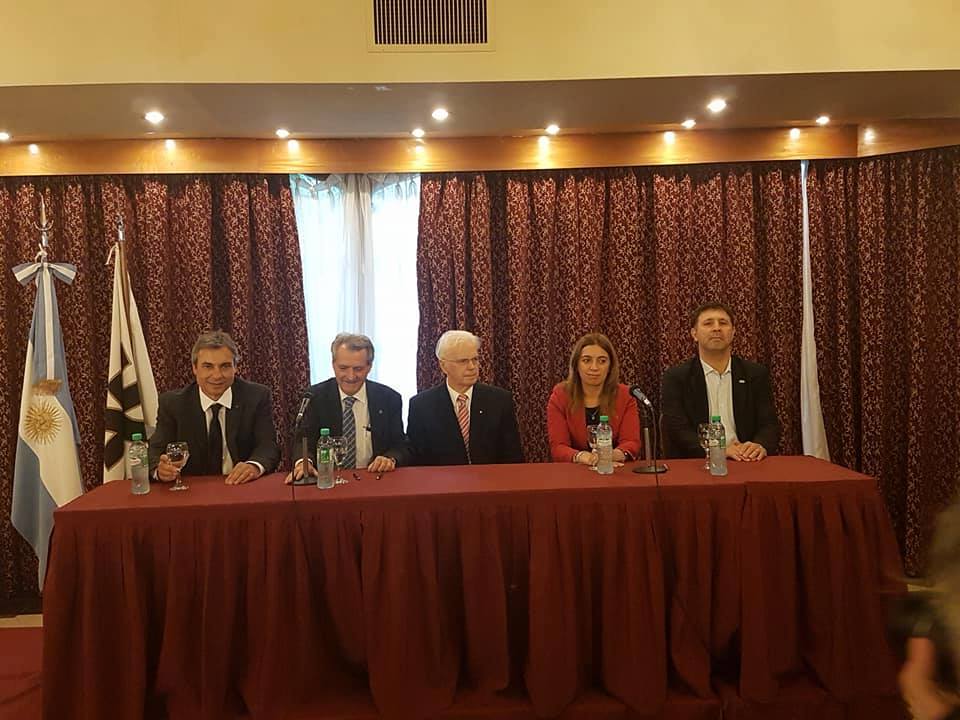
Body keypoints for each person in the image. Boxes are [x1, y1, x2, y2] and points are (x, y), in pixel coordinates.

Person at [149, 330, 280, 484]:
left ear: (235, 367)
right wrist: (160, 469)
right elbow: (154, 452)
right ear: (194, 368)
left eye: (225, 366)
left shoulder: (256, 397)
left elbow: (268, 446)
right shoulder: (173, 403)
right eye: (208, 366)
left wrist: (254, 466)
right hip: (191, 492)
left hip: (241, 488)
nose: (217, 375)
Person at [660, 302, 780, 461]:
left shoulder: (755, 374)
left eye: (723, 323)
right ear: (694, 334)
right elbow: (677, 430)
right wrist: (718, 450)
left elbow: (769, 424)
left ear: (733, 332)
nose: (716, 328)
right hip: (698, 462)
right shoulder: (676, 377)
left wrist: (759, 445)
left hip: (746, 460)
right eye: (708, 323)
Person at [290, 333, 408, 481]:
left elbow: (401, 445)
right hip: (327, 481)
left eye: (358, 369)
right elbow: (303, 440)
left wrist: (390, 458)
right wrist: (304, 462)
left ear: (369, 367)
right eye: (343, 368)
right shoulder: (314, 397)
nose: (351, 376)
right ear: (333, 365)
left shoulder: (389, 398)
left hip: (374, 480)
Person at [406, 330, 524, 466]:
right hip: (443, 483)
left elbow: (513, 457)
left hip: (490, 481)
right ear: (443, 365)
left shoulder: (499, 400)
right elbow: (416, 458)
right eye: (463, 361)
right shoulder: (421, 405)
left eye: (475, 359)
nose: (472, 367)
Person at [547, 332, 641, 465]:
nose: (594, 367)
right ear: (576, 365)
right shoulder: (560, 396)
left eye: (602, 361)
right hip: (574, 472)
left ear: (610, 366)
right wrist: (581, 456)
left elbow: (631, 442)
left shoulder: (625, 395)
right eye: (586, 360)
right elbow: (558, 447)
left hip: (614, 470)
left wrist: (613, 455)